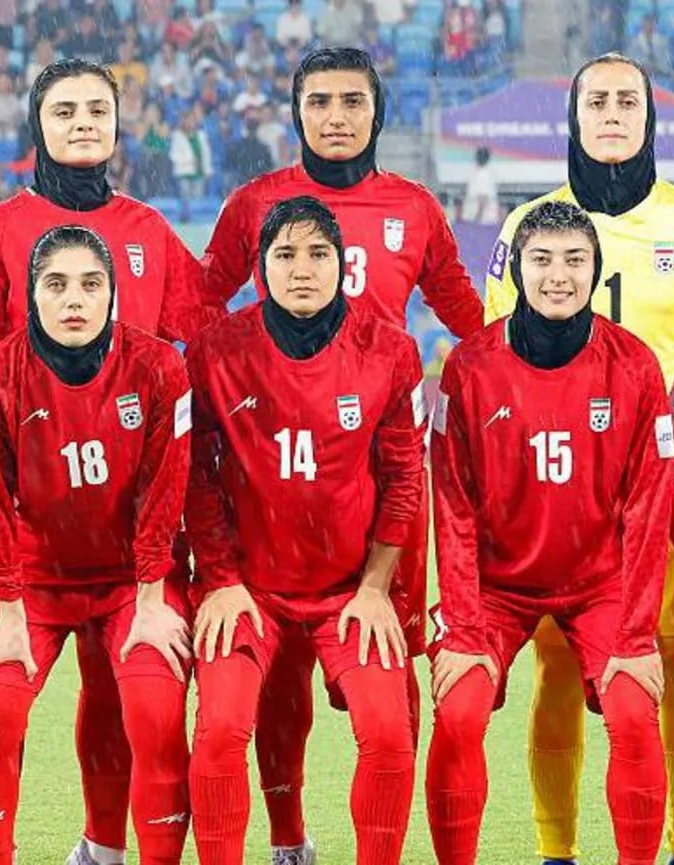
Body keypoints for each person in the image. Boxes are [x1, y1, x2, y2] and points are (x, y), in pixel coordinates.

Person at [201, 48, 483, 863]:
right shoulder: (255, 204)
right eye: (318, 100)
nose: (335, 116)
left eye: (351, 100)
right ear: (296, 112)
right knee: (277, 673)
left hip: (376, 470)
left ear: (376, 112)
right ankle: (288, 838)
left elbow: (467, 316)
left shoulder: (414, 207)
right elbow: (200, 304)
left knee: (393, 679)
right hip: (272, 468)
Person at [0, 58, 217, 865]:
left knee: (128, 697)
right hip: (23, 534)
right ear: (38, 124)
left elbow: (207, 339)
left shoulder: (149, 231)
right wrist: (24, 463)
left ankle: (102, 848)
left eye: (98, 108)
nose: (83, 122)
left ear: (119, 123)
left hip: (132, 536)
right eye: (64, 110)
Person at [483, 52, 674, 865]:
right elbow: (496, 363)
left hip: (672, 494)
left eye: (628, 101)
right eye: (596, 101)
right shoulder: (529, 227)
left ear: (650, 116)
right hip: (562, 496)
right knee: (557, 670)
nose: (612, 114)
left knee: (670, 671)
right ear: (573, 116)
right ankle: (556, 850)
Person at [425, 200, 672, 865]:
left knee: (633, 710)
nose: (558, 276)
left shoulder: (635, 366)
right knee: (458, 709)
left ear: (596, 270)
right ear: (516, 268)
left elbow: (649, 507)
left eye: (574, 260)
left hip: (600, 585)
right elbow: (453, 507)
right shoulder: (469, 367)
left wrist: (636, 636)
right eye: (541, 259)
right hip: (496, 588)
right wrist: (464, 629)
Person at [186, 196, 425, 865]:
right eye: (285, 254)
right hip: (249, 590)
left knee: (389, 732)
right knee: (221, 728)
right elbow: (197, 478)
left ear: (342, 264)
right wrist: (221, 580)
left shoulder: (389, 350)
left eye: (318, 253)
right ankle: (277, 845)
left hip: (348, 591)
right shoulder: (214, 351)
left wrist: (375, 587)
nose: (301, 269)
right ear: (261, 267)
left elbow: (404, 476)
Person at [0, 226, 193, 865]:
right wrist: (8, 614)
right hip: (30, 579)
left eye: (91, 284)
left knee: (155, 710)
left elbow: (165, 493)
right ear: (31, 294)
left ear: (112, 293)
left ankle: (114, 855)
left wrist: (151, 600)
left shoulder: (159, 368)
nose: (74, 300)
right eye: (56, 284)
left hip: (131, 581)